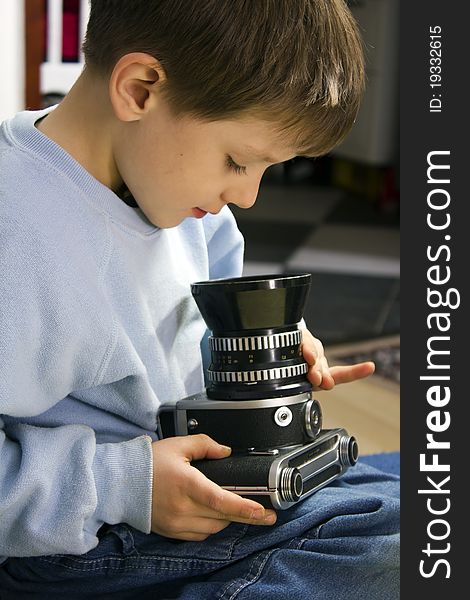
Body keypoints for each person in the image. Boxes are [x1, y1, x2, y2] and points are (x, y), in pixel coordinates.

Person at [0, 1, 399, 597]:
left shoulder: (180, 199)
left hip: (200, 489)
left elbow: (197, 325)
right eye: (238, 161)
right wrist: (123, 485)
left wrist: (266, 345)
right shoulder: (17, 232)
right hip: (90, 537)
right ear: (139, 90)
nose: (247, 195)